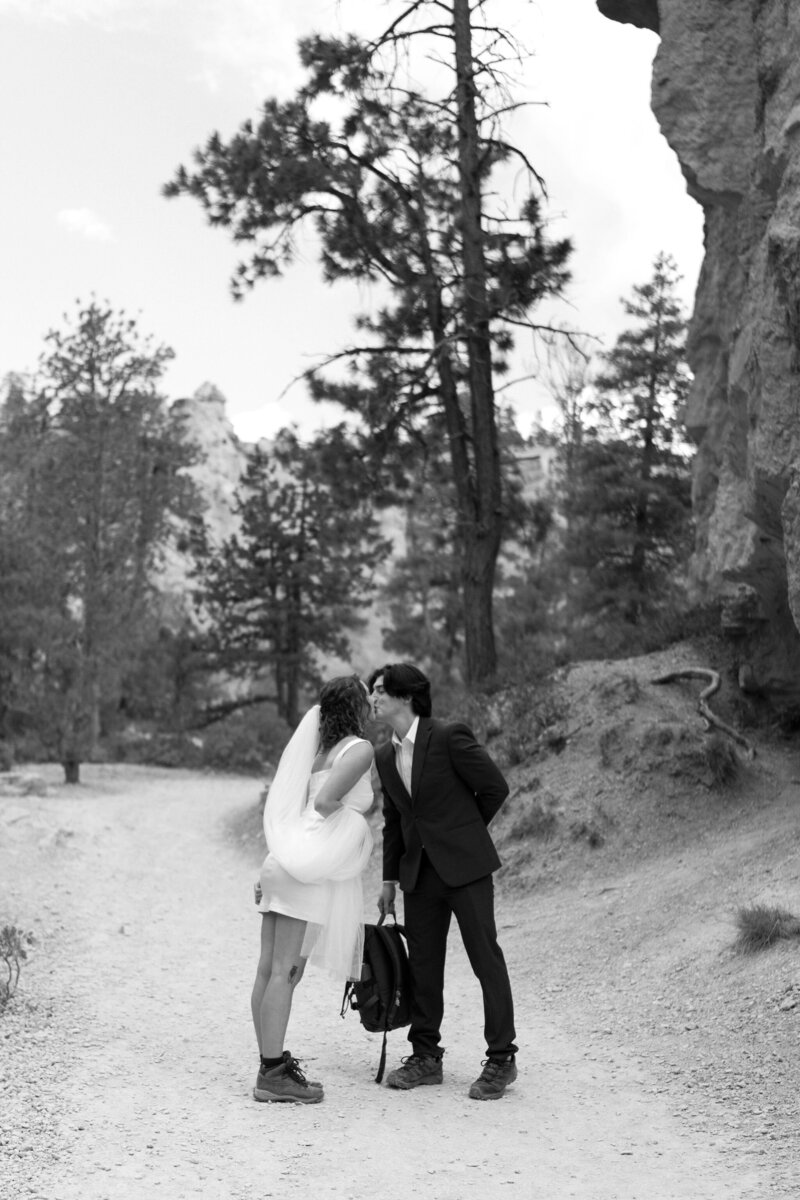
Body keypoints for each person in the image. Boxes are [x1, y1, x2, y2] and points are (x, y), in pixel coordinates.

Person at [368, 663, 518, 1101]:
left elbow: (494, 787)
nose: (373, 697)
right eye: (372, 691)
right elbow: (394, 821)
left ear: (406, 696)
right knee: (424, 967)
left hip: (465, 870)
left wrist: (461, 834)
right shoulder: (383, 755)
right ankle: (426, 1056)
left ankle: (501, 1059)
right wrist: (389, 879)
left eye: (380, 690)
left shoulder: (449, 736)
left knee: (484, 959)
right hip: (418, 875)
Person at [251, 675, 374, 1104]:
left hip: (284, 858)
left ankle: (271, 1064)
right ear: (357, 707)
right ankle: (272, 1075)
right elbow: (324, 807)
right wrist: (356, 828)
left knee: (269, 969)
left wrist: (280, 860)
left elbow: (299, 807)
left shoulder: (319, 751)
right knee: (287, 970)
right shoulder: (358, 750)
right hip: (308, 864)